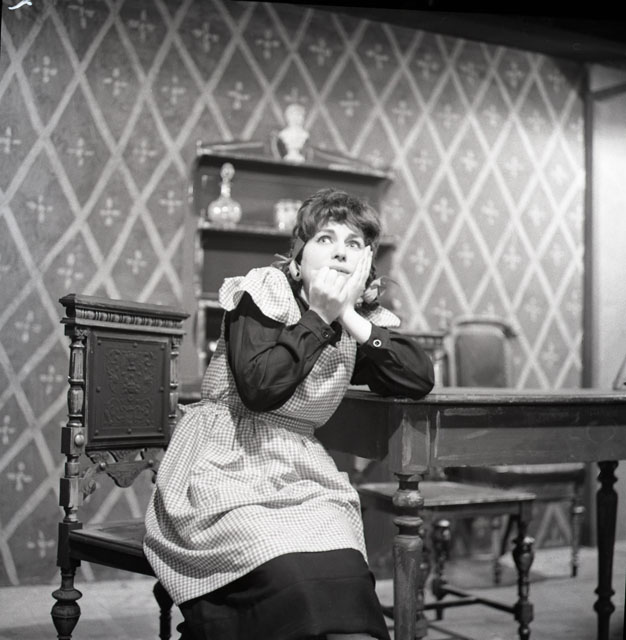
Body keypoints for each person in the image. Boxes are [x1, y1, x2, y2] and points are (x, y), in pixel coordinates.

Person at [144, 188, 435, 640]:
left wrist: (349, 316)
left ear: (366, 263)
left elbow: (418, 378)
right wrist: (318, 316)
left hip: (301, 472)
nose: (340, 250)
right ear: (298, 258)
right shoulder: (264, 292)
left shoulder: (359, 321)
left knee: (346, 572)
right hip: (222, 461)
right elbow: (259, 390)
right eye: (325, 238)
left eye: (354, 243)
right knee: (284, 571)